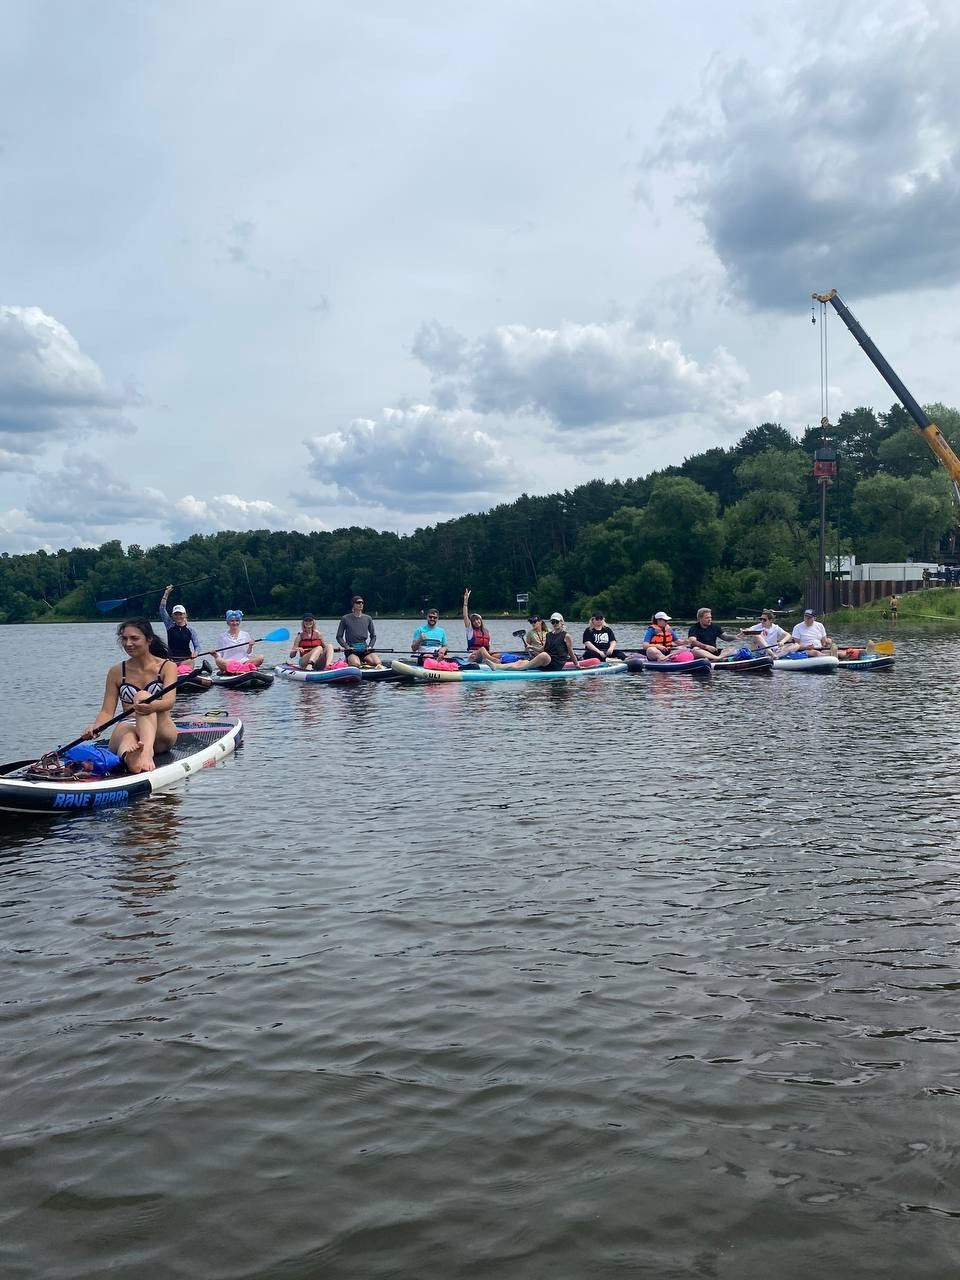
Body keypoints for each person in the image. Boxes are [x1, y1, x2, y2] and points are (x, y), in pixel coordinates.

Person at [83, 619, 178, 774]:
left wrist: (151, 706)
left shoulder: (167, 667)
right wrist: (96, 727)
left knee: (142, 695)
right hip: (128, 725)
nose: (128, 643)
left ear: (149, 639)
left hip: (160, 730)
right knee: (127, 734)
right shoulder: (116, 671)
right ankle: (130, 758)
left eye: (134, 638)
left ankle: (146, 752)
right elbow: (107, 712)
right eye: (124, 639)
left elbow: (169, 701)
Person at [509, 613, 579, 671]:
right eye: (552, 622)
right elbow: (542, 649)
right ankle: (499, 666)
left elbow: (571, 653)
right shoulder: (548, 634)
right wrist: (530, 647)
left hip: (556, 664)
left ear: (562, 622)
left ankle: (521, 669)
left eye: (556, 621)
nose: (555, 624)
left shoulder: (566, 636)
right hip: (546, 661)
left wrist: (577, 665)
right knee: (522, 662)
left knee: (544, 655)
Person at [158, 584, 202, 663]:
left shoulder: (191, 630)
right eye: (176, 614)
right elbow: (162, 608)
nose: (178, 617)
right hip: (171, 660)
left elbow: (197, 646)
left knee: (187, 665)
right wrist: (166, 593)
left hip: (187, 659)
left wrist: (196, 653)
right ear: (173, 616)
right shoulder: (169, 626)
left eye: (180, 614)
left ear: (185, 615)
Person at [336, 596, 382, 668]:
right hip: (351, 649)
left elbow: (373, 636)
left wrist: (370, 646)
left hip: (365, 648)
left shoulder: (368, 618)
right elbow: (339, 636)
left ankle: (364, 662)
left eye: (362, 602)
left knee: (377, 662)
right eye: (358, 602)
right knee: (356, 664)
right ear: (353, 605)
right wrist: (346, 647)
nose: (361, 604)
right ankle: (353, 661)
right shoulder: (345, 618)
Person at [462, 588, 501, 665]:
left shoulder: (487, 632)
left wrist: (490, 652)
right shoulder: (470, 631)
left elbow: (488, 647)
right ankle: (492, 661)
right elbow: (465, 616)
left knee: (498, 654)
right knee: (482, 649)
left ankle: (490, 660)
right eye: (474, 621)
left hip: (484, 656)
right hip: (473, 655)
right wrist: (465, 603)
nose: (476, 622)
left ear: (481, 620)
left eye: (478, 620)